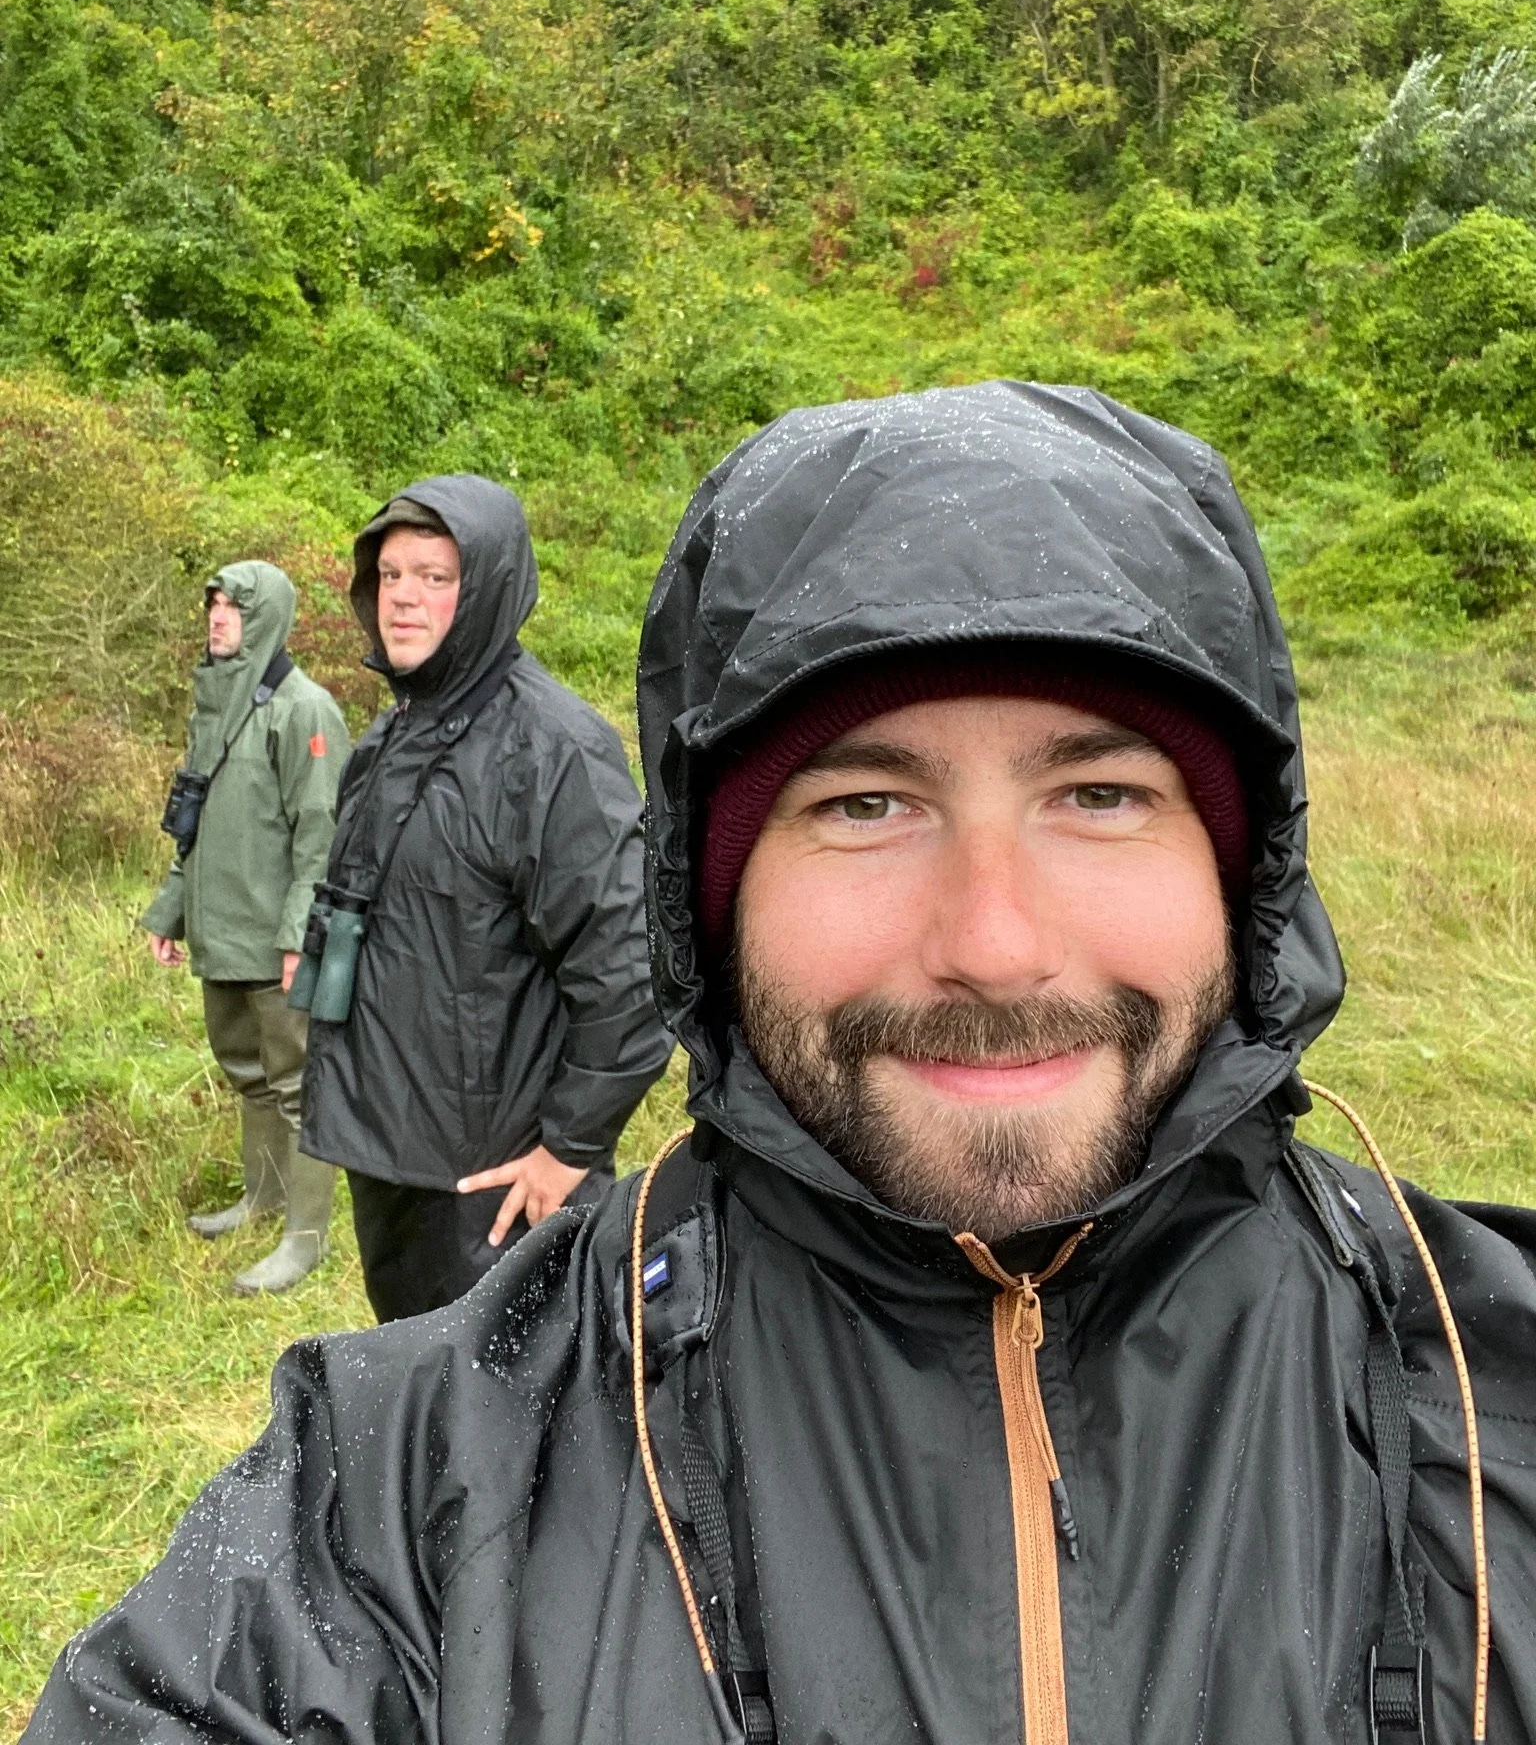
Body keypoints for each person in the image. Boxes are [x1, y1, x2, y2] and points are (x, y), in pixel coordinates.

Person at [29, 384, 1536, 1743]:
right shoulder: (395, 1503)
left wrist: (563, 1128)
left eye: (1100, 792)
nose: (995, 945)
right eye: (865, 806)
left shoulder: (1495, 1410)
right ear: (714, 890)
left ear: (1243, 868)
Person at [296, 473, 673, 1322]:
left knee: (520, 1424)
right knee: (424, 1396)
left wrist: (567, 1149)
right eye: (391, 576)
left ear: (488, 588)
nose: (403, 599)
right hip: (391, 1158)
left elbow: (632, 966)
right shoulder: (393, 734)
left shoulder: (554, 750)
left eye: (435, 577)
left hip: (495, 1188)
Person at [141, 560, 347, 1295]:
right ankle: (263, 1200)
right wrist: (171, 912)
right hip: (221, 934)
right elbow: (191, 824)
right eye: (214, 606)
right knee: (247, 1073)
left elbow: (322, 836)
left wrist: (299, 936)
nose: (218, 618)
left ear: (266, 619)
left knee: (298, 1083)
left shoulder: (305, 709)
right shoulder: (214, 706)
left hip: (275, 942)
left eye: (234, 608)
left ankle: (306, 1238)